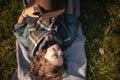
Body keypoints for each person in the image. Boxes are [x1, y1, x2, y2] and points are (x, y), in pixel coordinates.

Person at [13, 0, 86, 80]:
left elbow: (18, 28)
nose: (59, 51)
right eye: (61, 55)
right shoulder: (67, 37)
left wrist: (25, 12)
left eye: (55, 55)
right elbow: (70, 15)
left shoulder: (29, 39)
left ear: (42, 58)